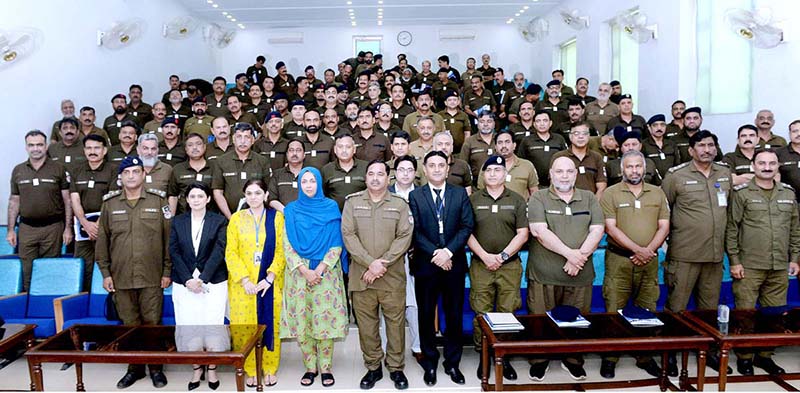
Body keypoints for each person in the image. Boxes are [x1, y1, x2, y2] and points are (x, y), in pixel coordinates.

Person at [95, 156, 171, 389]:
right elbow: (102, 243)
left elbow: (169, 240)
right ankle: (134, 368)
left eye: (135, 172)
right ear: (120, 177)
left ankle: (156, 368)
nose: (131, 176)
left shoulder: (159, 202)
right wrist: (105, 273)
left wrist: (167, 271)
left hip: (152, 276)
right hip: (121, 277)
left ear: (143, 175)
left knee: (152, 324)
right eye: (126, 172)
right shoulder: (109, 204)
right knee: (129, 325)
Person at [661, 130, 733, 374]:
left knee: (708, 309)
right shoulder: (676, 176)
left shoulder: (724, 174)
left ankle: (709, 352)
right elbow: (664, 210)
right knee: (677, 308)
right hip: (684, 254)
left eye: (711, 145)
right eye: (701, 145)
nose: (707, 150)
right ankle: (669, 354)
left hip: (714, 255)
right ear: (691, 150)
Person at [527, 156, 604, 381]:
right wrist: (571, 255)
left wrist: (578, 258)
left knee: (577, 321)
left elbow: (597, 230)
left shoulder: (589, 198)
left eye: (569, 171)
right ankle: (539, 361)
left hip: (579, 275)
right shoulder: (539, 198)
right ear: (550, 173)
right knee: (540, 320)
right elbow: (539, 232)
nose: (564, 176)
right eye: (559, 171)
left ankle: (573, 360)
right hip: (545, 273)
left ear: (575, 174)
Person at [726, 148, 800, 376]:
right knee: (745, 314)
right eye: (762, 163)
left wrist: (795, 258)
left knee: (774, 314)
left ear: (778, 166)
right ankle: (745, 357)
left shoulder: (788, 193)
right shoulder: (741, 193)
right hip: (749, 265)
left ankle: (765, 356)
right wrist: (735, 262)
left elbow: (795, 230)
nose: (767, 167)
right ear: (753, 166)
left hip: (779, 265)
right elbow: (731, 229)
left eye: (772, 163)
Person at [341, 160, 414, 390]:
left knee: (395, 324)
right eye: (370, 174)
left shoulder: (400, 204)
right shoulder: (352, 203)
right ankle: (373, 367)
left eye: (380, 174)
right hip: (362, 277)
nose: (375, 178)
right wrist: (370, 264)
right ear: (365, 178)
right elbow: (348, 234)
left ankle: (396, 367)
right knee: (366, 326)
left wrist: (381, 264)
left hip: (391, 277)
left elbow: (405, 236)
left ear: (388, 177)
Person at [598, 150, 670, 379]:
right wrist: (638, 250)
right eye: (630, 167)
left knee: (647, 308)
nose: (635, 171)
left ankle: (645, 357)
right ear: (621, 169)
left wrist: (648, 251)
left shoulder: (657, 193)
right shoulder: (610, 193)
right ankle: (610, 358)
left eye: (639, 166)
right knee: (613, 309)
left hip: (649, 261)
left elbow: (664, 226)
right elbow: (610, 227)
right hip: (619, 260)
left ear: (645, 168)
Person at [408, 150, 475, 386]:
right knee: (426, 316)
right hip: (426, 266)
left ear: (447, 169)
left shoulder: (459, 194)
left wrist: (448, 252)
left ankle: (453, 363)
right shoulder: (416, 196)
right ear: (424, 170)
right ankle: (430, 362)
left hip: (453, 265)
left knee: (454, 315)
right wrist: (437, 253)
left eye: (441, 165)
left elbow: (467, 225)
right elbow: (414, 231)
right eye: (432, 165)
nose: (437, 169)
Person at [281, 167, 348, 388]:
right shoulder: (291, 210)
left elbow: (337, 242)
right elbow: (287, 244)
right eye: (304, 181)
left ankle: (326, 367)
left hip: (325, 274)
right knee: (303, 321)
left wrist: (319, 269)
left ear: (319, 183)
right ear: (299, 185)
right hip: (299, 275)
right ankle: (311, 366)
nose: (308, 185)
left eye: (312, 181)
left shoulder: (330, 208)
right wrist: (304, 270)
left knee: (324, 320)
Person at [468, 155, 528, 381]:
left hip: (509, 266)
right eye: (489, 170)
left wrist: (501, 257)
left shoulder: (517, 199)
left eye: (497, 170)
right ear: (483, 175)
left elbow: (523, 234)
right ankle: (484, 355)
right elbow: (467, 232)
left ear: (505, 174)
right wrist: (485, 257)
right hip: (480, 265)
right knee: (481, 314)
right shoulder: (473, 199)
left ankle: (504, 356)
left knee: (507, 313)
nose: (493, 174)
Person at [226, 179, 286, 387]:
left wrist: (269, 278)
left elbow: (281, 250)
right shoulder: (236, 219)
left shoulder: (276, 218)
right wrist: (244, 280)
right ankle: (250, 368)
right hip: (243, 285)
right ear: (244, 196)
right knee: (244, 328)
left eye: (258, 193)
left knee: (270, 323)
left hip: (269, 282)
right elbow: (230, 252)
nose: (253, 197)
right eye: (249, 193)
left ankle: (269, 368)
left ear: (266, 195)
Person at [168, 182, 228, 390]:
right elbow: (174, 252)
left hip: (213, 281)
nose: (196, 200)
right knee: (189, 324)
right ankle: (196, 369)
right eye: (192, 196)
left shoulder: (219, 221)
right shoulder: (177, 222)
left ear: (208, 199)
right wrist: (187, 279)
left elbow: (219, 251)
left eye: (200, 196)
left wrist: (202, 278)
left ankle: (212, 369)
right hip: (184, 283)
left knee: (212, 324)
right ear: (187, 199)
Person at [8, 130, 72, 291]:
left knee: (49, 272)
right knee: (27, 272)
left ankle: (49, 310)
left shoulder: (58, 169)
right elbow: (14, 201)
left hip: (53, 228)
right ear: (26, 147)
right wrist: (10, 230)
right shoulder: (18, 170)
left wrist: (68, 228)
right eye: (31, 145)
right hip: (26, 229)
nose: (35, 148)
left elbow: (67, 200)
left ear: (46, 146)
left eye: (39, 144)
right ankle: (28, 308)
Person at [70, 134, 118, 291]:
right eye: (89, 148)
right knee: (83, 266)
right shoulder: (76, 171)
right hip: (82, 227)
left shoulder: (113, 170)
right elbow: (74, 199)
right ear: (84, 150)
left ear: (104, 150)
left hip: (105, 224)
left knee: (107, 264)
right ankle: (82, 298)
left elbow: (111, 199)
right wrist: (85, 224)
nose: (93, 151)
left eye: (97, 148)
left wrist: (97, 225)